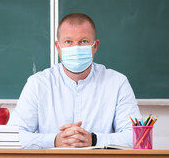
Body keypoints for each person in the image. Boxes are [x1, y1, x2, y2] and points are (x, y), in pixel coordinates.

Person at [11, 13, 141, 148]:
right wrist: (55, 141)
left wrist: (94, 139)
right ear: (58, 47)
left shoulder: (117, 83)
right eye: (68, 42)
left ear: (95, 46)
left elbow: (137, 137)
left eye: (83, 41)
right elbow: (14, 137)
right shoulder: (38, 84)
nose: (76, 48)